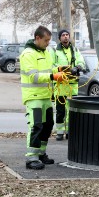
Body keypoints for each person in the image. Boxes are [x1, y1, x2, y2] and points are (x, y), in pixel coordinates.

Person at [20, 26, 70, 170]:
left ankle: (41, 154)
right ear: (37, 38)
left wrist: (61, 70)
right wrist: (54, 76)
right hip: (34, 97)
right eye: (46, 40)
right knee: (36, 126)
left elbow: (50, 69)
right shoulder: (28, 54)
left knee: (47, 125)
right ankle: (31, 157)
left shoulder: (46, 52)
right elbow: (33, 76)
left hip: (46, 96)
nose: (48, 43)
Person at [50, 29, 85, 141]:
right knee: (60, 110)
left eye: (67, 35)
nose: (65, 37)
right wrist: (61, 70)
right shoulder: (54, 51)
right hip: (60, 85)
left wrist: (77, 67)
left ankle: (70, 131)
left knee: (71, 110)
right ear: (59, 38)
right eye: (63, 35)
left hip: (72, 85)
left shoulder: (75, 49)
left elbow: (81, 62)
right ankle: (60, 132)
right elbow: (51, 66)